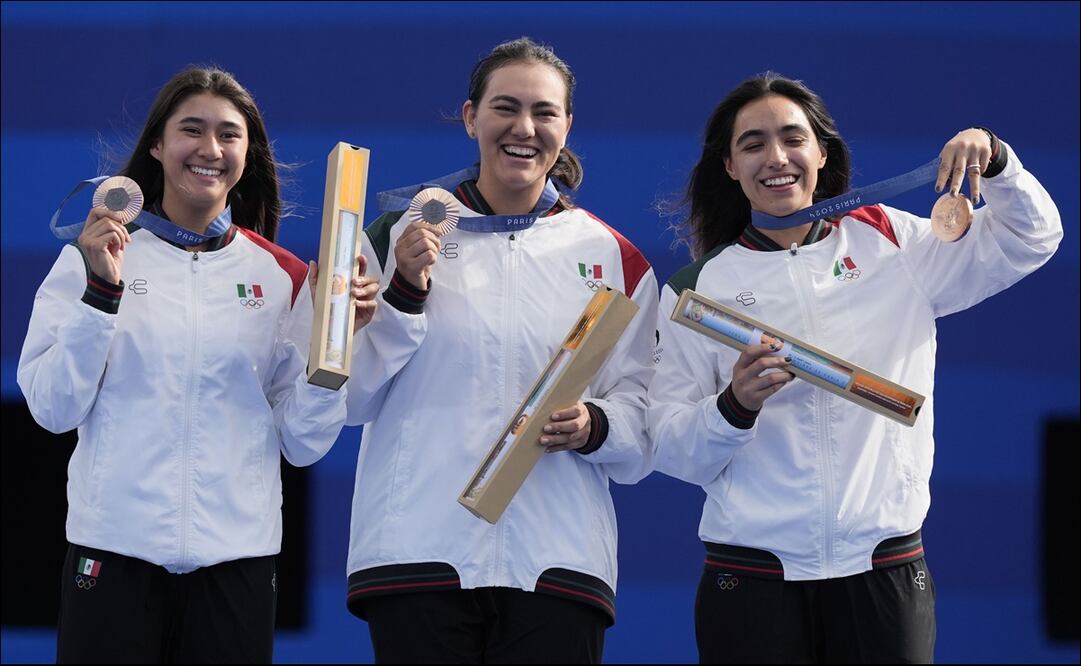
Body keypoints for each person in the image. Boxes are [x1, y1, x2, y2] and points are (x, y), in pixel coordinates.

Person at [648, 73, 1061, 663]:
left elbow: (1031, 239)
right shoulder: (695, 290)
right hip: (750, 577)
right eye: (753, 144)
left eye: (793, 138)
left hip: (883, 566)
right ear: (730, 167)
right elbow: (670, 448)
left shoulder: (892, 242)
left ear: (822, 151)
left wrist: (997, 161)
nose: (777, 158)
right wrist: (733, 407)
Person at [18, 66, 379, 663]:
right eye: (192, 129)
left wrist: (333, 352)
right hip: (112, 553)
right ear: (157, 145)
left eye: (229, 135)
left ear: (246, 154)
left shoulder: (283, 277)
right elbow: (54, 411)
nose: (210, 149)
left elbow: (303, 443)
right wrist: (101, 297)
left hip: (235, 564)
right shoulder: (88, 259)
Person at [342, 38, 658, 663]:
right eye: (504, 108)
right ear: (470, 118)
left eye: (544, 112)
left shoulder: (612, 258)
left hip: (557, 559)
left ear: (567, 127)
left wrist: (599, 425)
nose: (524, 128)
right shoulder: (396, 235)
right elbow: (345, 399)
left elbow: (647, 416)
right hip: (418, 552)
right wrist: (405, 292)